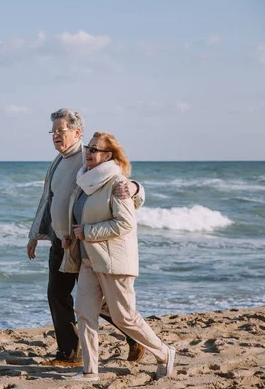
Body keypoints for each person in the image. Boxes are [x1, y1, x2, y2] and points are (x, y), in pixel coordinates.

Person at [27, 109, 146, 367]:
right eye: (53, 132)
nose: (56, 136)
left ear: (77, 133)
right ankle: (71, 353)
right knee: (60, 295)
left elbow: (122, 183)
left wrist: (136, 188)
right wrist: (34, 235)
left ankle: (132, 336)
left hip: (80, 243)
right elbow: (48, 200)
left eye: (61, 131)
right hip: (61, 240)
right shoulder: (58, 161)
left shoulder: (88, 157)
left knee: (92, 300)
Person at [61, 132, 175, 381]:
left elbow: (125, 224)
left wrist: (87, 233)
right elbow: (82, 216)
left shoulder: (117, 184)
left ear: (108, 156)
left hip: (114, 261)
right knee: (84, 313)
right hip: (89, 260)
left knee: (124, 317)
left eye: (94, 149)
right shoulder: (86, 182)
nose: (88, 152)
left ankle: (165, 353)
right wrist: (70, 235)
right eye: (88, 147)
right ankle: (90, 371)